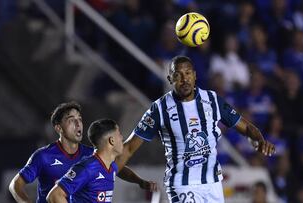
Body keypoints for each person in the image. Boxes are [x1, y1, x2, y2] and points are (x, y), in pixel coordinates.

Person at [115, 56, 276, 202]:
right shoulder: (159, 109)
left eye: (188, 73)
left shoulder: (212, 100)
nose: (184, 79)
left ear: (195, 75)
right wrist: (105, 170)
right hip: (182, 185)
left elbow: (246, 127)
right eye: (178, 75)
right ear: (170, 79)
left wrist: (259, 140)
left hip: (213, 183)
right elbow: (129, 148)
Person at [9, 102, 156, 203]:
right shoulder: (44, 156)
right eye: (71, 120)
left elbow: (116, 167)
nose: (78, 123)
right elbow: (15, 185)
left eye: (79, 119)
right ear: (59, 128)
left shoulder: (90, 155)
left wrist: (139, 181)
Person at [46, 119, 135, 202]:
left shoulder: (110, 166)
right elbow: (54, 195)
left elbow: (128, 151)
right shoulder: (88, 168)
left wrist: (141, 182)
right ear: (111, 140)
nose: (122, 138)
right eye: (119, 134)